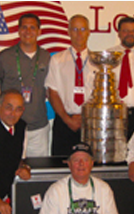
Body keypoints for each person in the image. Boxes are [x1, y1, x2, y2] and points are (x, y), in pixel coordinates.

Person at [36, 142, 134, 214]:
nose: (81, 164)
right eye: (76, 160)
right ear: (69, 164)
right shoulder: (56, 190)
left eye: (85, 160)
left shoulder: (104, 188)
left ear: (92, 163)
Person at [0, 13, 51, 157]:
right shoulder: (5, 56)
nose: (28, 31)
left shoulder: (46, 57)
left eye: (32, 28)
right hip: (11, 126)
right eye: (24, 27)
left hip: (39, 126)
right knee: (11, 170)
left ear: (39, 32)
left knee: (39, 171)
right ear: (18, 31)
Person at [45, 14, 96, 156]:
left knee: (88, 166)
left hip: (90, 124)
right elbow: (52, 92)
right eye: (74, 29)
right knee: (61, 165)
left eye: (82, 29)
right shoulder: (57, 60)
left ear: (88, 32)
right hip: (64, 122)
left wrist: (86, 118)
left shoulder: (97, 61)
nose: (79, 33)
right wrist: (67, 120)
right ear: (68, 32)